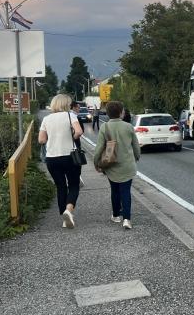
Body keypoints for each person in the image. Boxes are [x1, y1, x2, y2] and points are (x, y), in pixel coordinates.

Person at [94, 101, 141, 229]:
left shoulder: (104, 127)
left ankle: (115, 215)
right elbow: (136, 146)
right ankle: (127, 219)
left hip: (111, 166)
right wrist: (136, 157)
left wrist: (96, 163)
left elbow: (99, 148)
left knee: (115, 191)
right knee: (126, 191)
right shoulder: (128, 126)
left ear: (108, 113)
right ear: (121, 113)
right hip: (127, 165)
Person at [38, 94, 83, 228]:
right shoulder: (71, 116)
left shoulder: (46, 119)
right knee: (74, 185)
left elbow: (41, 140)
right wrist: (72, 137)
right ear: (66, 104)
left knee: (60, 187)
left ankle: (64, 218)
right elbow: (79, 132)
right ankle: (69, 211)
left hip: (52, 158)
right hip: (70, 157)